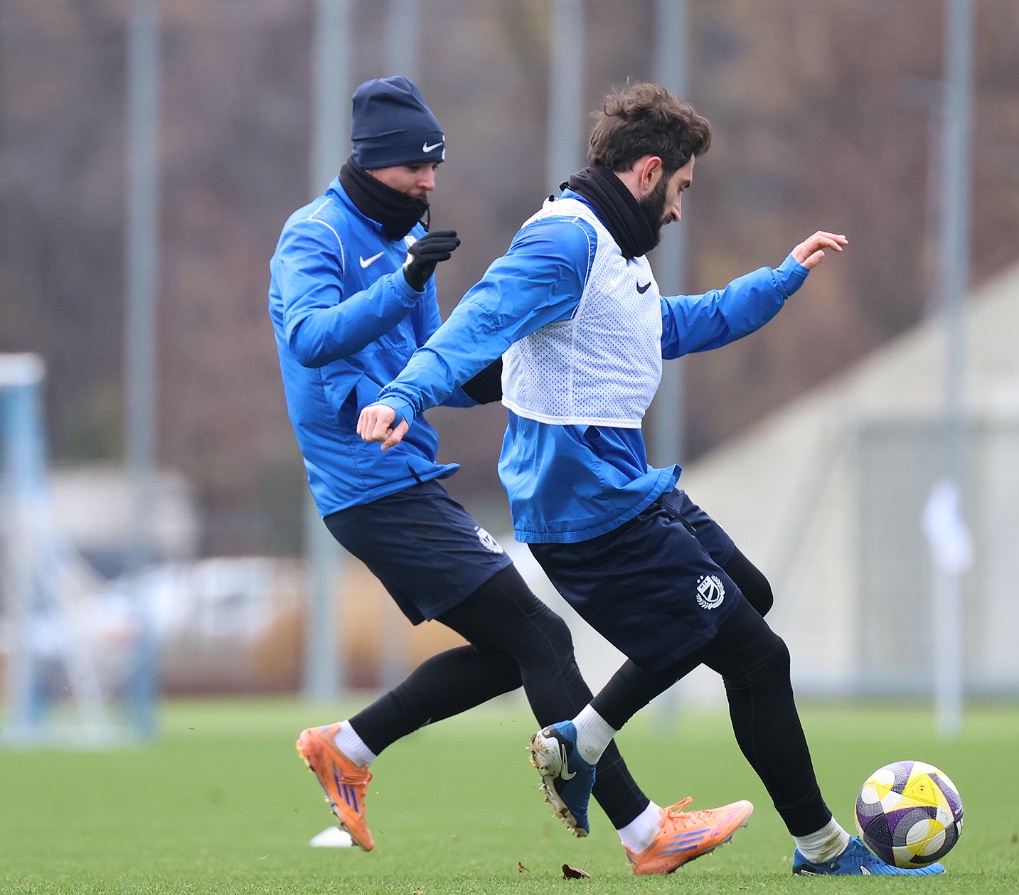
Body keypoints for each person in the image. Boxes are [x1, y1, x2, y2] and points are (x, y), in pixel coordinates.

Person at [355, 81, 944, 877]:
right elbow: (476, 325)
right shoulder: (561, 241)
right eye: (682, 189)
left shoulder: (612, 246)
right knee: (758, 656)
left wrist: (777, 281)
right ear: (648, 171)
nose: (679, 210)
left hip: (627, 490)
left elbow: (668, 326)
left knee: (749, 596)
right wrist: (404, 394)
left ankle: (584, 737)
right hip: (588, 509)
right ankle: (822, 848)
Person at [268, 75, 754, 874]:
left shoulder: (408, 235)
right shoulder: (314, 235)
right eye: (415, 167)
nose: (429, 181)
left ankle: (347, 747)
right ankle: (644, 832)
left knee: (511, 650)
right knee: (541, 637)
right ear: (372, 160)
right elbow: (312, 337)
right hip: (366, 484)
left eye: (436, 166)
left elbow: (442, 365)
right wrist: (405, 282)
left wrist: (522, 358)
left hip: (406, 474)